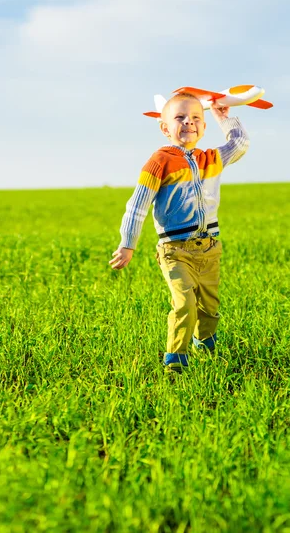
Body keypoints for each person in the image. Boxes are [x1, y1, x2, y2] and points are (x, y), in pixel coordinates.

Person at [109, 92, 249, 372]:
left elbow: (240, 143)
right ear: (164, 128)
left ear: (204, 127)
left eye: (196, 118)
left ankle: (206, 346)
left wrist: (222, 115)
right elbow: (138, 204)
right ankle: (175, 360)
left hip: (209, 248)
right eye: (180, 117)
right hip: (175, 250)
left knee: (209, 307)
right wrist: (128, 244)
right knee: (185, 303)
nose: (189, 123)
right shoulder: (160, 161)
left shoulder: (211, 159)